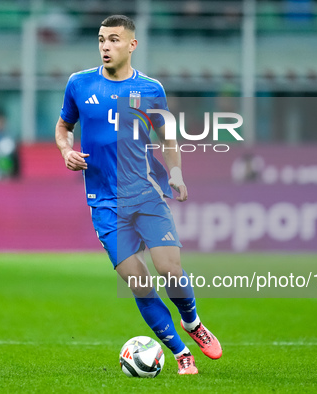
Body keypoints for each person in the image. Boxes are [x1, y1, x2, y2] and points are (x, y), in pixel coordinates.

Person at [55, 15, 221, 375]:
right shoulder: (79, 84)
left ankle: (192, 324)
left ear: (131, 45)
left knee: (170, 270)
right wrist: (65, 150)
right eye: (101, 39)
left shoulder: (150, 89)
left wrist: (175, 174)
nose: (105, 46)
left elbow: (168, 138)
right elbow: (64, 126)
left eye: (113, 40)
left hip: (145, 194)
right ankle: (179, 353)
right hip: (104, 203)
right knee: (140, 282)